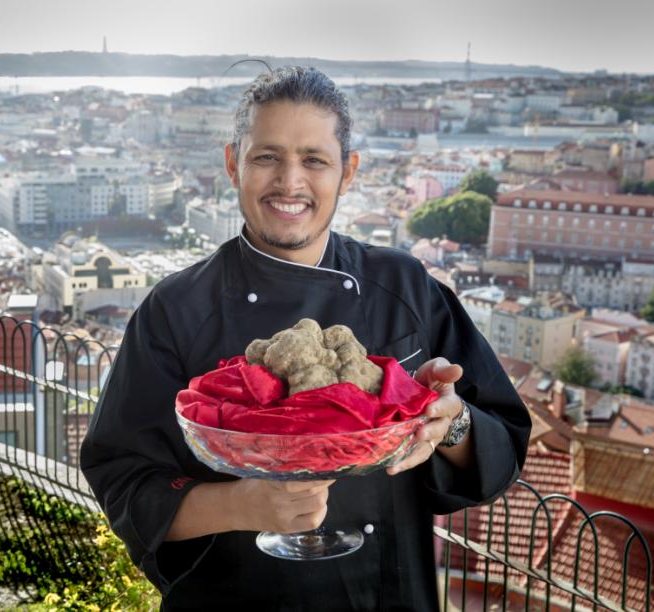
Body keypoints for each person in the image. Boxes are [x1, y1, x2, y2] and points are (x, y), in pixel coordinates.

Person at [80, 66, 531, 611]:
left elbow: (501, 447)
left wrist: (451, 421)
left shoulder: (405, 286)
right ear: (233, 164)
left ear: (348, 173)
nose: (289, 182)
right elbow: (123, 483)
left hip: (390, 596)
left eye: (314, 160)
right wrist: (244, 505)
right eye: (267, 156)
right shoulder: (176, 309)